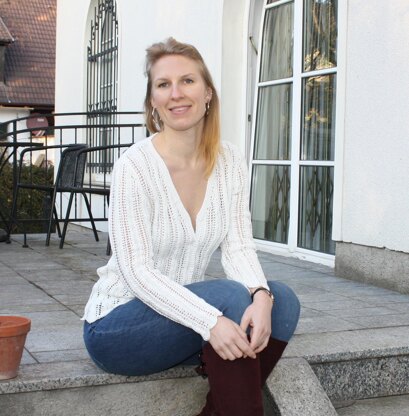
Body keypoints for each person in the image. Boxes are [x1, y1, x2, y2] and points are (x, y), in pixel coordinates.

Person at [82, 37, 300, 416]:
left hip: (181, 322)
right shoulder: (134, 167)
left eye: (187, 81)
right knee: (231, 299)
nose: (176, 94)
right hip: (118, 327)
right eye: (163, 85)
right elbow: (137, 272)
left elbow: (238, 247)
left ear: (208, 93)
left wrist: (262, 296)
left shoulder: (229, 160)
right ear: (153, 101)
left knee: (283, 302)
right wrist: (210, 320)